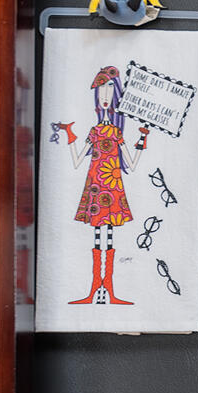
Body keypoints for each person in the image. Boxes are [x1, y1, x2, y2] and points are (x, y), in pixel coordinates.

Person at [59, 65, 141, 304]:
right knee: (98, 236)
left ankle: (110, 291)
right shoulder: (95, 131)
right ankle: (95, 289)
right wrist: (70, 136)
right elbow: (77, 161)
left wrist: (141, 143)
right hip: (95, 187)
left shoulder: (116, 132)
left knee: (110, 238)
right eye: (101, 92)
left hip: (112, 188)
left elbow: (132, 165)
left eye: (109, 92)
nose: (105, 97)